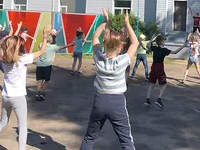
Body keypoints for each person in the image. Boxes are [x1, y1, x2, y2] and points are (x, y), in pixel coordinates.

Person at [0, 25, 51, 150]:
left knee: (2, 122)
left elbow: (3, 43)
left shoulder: (3, 58)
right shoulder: (22, 59)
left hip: (6, 96)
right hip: (18, 97)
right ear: (19, 47)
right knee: (22, 126)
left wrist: (13, 34)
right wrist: (45, 36)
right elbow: (42, 51)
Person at [79, 9, 138, 150]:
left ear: (104, 44)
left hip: (100, 100)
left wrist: (104, 22)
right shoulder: (122, 60)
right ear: (120, 47)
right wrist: (127, 23)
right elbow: (134, 43)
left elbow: (94, 38)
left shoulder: (98, 58)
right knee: (126, 141)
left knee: (89, 137)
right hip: (117, 102)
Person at [144, 34, 186, 109]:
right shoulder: (164, 50)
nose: (165, 41)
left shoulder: (155, 48)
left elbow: (148, 45)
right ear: (161, 41)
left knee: (152, 84)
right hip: (159, 67)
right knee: (164, 84)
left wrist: (152, 38)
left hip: (153, 67)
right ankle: (159, 100)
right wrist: (183, 46)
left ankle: (148, 100)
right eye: (164, 40)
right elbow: (175, 52)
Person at [35, 35, 72, 101]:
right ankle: (42, 94)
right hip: (47, 66)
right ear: (51, 40)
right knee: (46, 81)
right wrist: (71, 44)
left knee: (40, 80)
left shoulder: (40, 45)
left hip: (39, 65)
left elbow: (43, 45)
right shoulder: (53, 47)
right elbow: (62, 47)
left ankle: (38, 93)